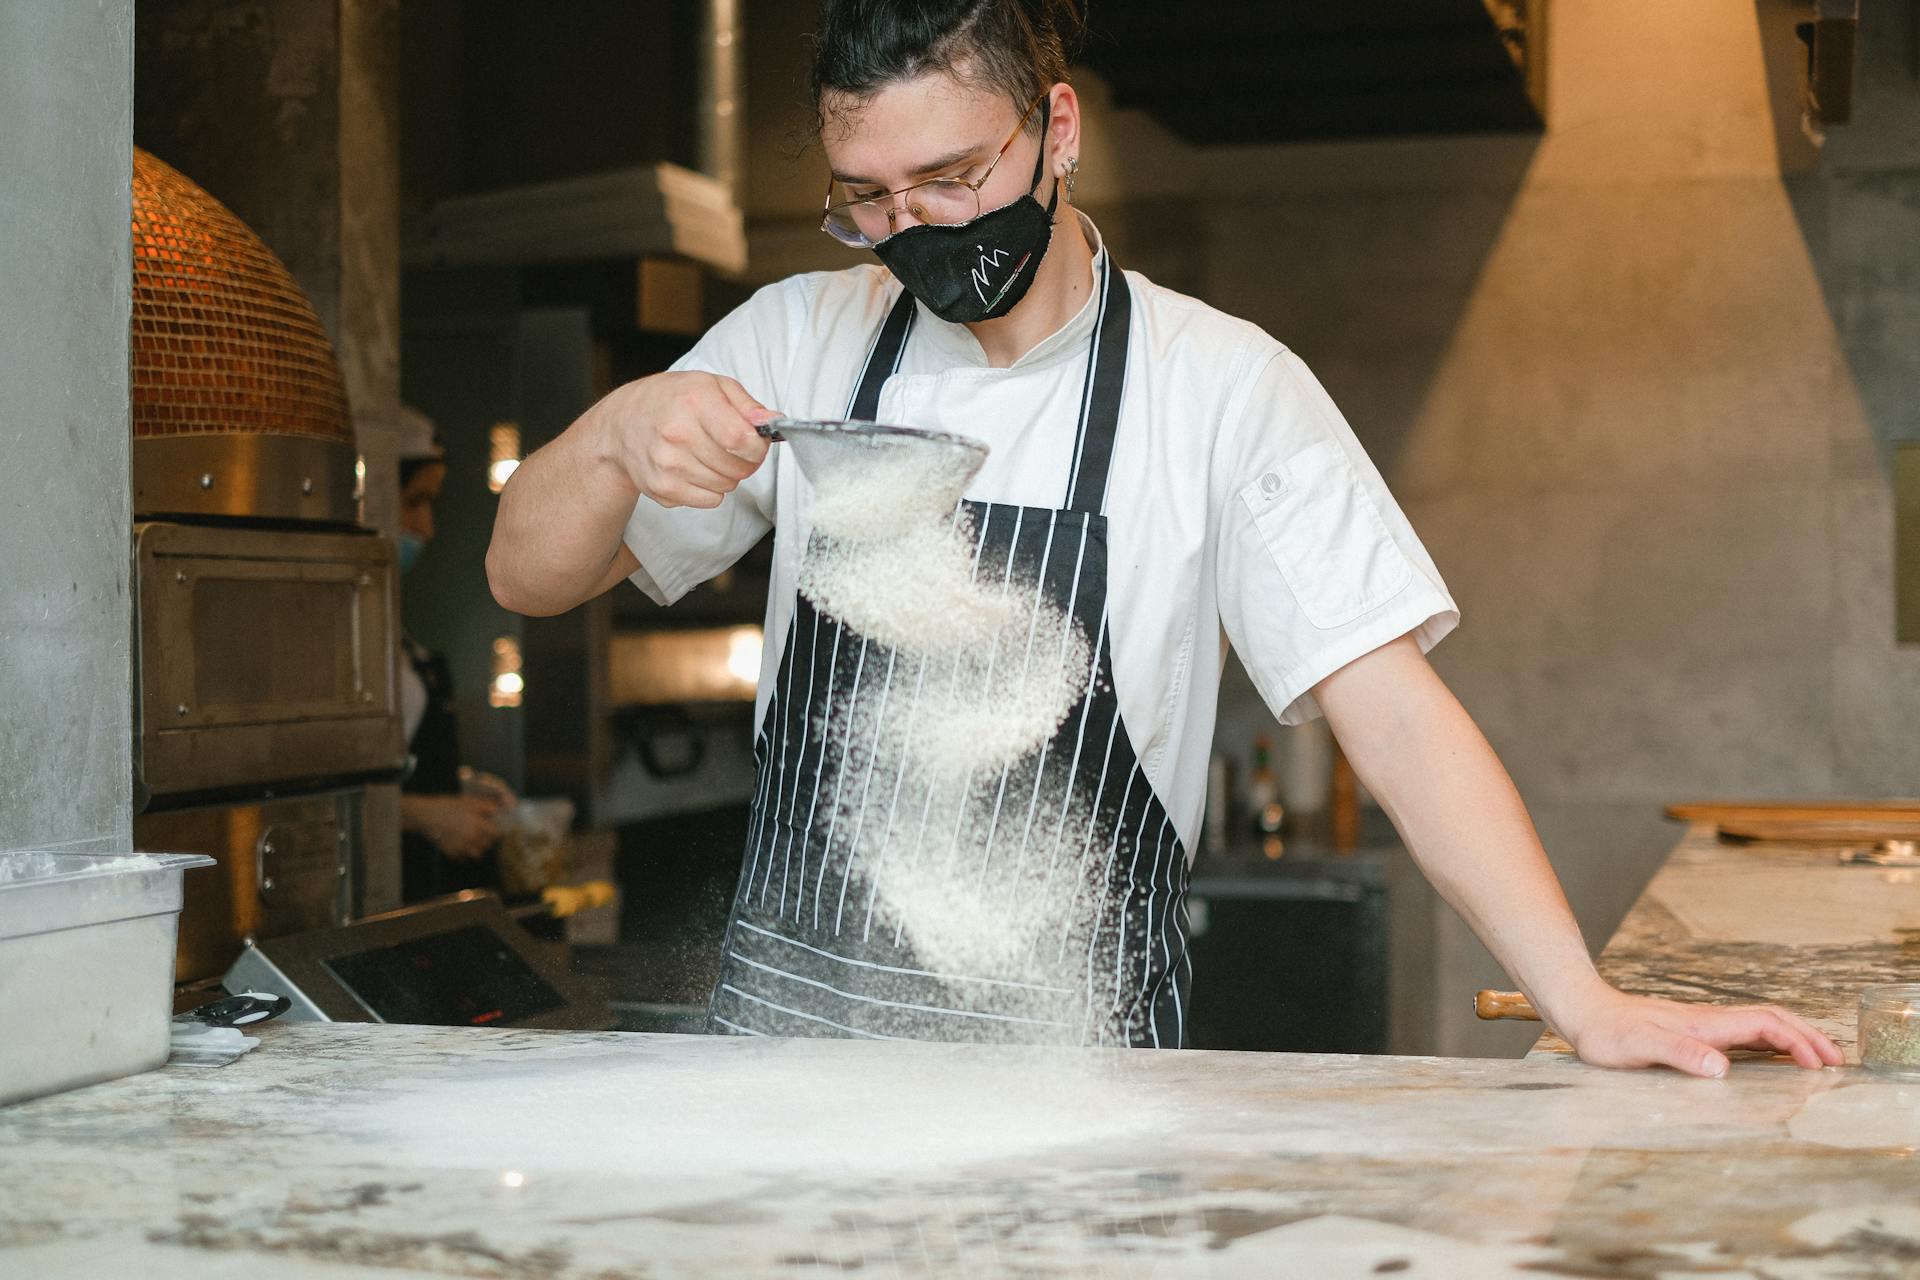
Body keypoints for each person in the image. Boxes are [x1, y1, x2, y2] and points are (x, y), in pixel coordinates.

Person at [487, 0, 1841, 1075]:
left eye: (953, 177)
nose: (913, 228)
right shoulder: (801, 339)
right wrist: (613, 436)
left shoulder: (1222, 389)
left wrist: (1584, 1000)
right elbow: (523, 576)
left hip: (1072, 1090)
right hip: (787, 1080)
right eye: (870, 198)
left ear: (1055, 127)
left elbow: (1395, 714)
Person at [395, 414, 516, 903]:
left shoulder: (398, 638)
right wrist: (427, 815)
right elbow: (309, 798)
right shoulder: (324, 635)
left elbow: (395, 764)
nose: (426, 527)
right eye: (414, 502)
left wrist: (455, 787)